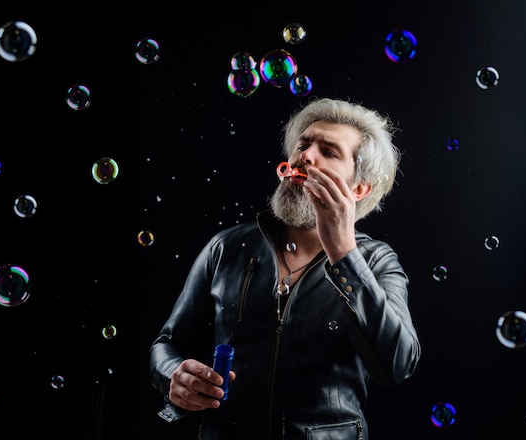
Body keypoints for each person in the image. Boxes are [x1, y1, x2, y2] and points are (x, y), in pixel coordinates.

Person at [149, 97, 421, 439]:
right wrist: (173, 373)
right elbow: (167, 344)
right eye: (303, 144)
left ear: (359, 189)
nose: (304, 155)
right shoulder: (227, 247)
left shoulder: (377, 262)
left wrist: (343, 252)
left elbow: (396, 365)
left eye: (329, 151)